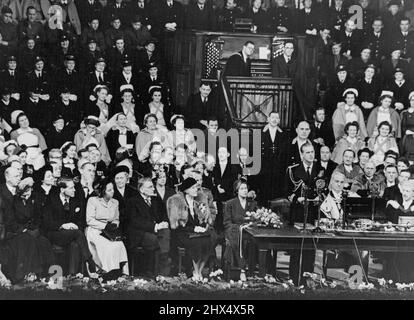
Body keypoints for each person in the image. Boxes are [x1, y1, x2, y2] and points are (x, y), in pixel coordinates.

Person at [285, 143, 325, 285]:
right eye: (307, 152)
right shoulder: (293, 170)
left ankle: (308, 278)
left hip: (313, 212)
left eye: (312, 152)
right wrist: (297, 198)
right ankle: (294, 278)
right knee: (297, 248)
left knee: (311, 247)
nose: (310, 155)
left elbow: (322, 189)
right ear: (302, 154)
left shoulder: (320, 169)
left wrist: (319, 198)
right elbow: (287, 192)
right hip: (298, 212)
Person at [43, 177, 96, 276]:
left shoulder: (75, 201)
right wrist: (63, 225)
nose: (74, 190)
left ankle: (72, 275)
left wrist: (74, 226)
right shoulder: (51, 200)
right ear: (62, 190)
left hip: (72, 235)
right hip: (55, 234)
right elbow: (47, 222)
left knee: (75, 245)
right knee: (77, 233)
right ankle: (89, 260)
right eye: (71, 188)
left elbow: (81, 221)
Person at [167, 177, 215, 280]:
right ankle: (196, 271)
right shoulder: (176, 201)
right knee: (196, 243)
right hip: (183, 232)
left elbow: (205, 218)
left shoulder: (200, 199)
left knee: (209, 241)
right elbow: (176, 224)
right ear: (186, 190)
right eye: (193, 188)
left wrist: (202, 227)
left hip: (198, 231)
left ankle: (198, 271)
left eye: (196, 188)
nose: (196, 190)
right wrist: (193, 229)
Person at [126, 177, 170, 276]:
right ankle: (157, 270)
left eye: (153, 186)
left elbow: (163, 215)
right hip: (139, 233)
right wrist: (155, 226)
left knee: (166, 232)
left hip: (156, 229)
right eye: (150, 187)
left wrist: (164, 222)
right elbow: (135, 221)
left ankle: (160, 268)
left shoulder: (156, 200)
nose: (153, 189)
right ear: (141, 189)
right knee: (155, 240)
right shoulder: (133, 201)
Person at [85, 179, 128, 280]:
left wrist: (114, 225)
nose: (112, 191)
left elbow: (116, 218)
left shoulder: (115, 202)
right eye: (109, 190)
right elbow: (89, 220)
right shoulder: (93, 201)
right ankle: (105, 272)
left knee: (119, 245)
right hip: (95, 230)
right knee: (108, 247)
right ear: (103, 191)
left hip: (110, 231)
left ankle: (119, 272)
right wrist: (104, 226)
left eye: (113, 189)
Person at [223, 179, 257, 281]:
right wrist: (238, 228)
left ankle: (261, 271)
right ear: (237, 190)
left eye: (246, 188)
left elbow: (256, 220)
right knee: (237, 239)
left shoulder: (252, 204)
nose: (245, 191)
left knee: (255, 241)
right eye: (242, 189)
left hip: (249, 231)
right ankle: (242, 270)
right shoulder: (230, 203)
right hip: (234, 230)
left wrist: (250, 225)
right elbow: (226, 222)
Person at [385, 179, 414, 282]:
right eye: (404, 191)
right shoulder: (395, 204)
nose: (404, 193)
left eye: (408, 191)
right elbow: (389, 220)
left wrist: (398, 207)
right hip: (396, 240)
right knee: (394, 261)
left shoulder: (403, 206)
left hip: (411, 243)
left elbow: (406, 214)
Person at [260, 112, 287, 204]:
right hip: (264, 168)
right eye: (272, 117)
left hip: (277, 169)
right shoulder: (261, 132)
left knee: (276, 192)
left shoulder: (283, 134)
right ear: (268, 119)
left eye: (277, 118)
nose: (274, 119)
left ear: (279, 120)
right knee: (264, 191)